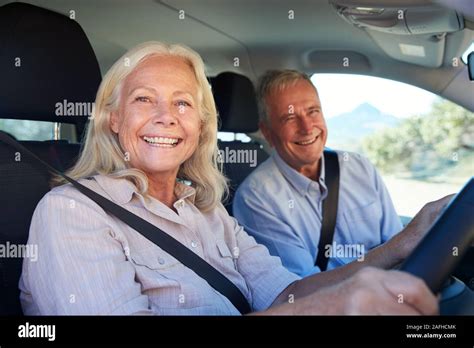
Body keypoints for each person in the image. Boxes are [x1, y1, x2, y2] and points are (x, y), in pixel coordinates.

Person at [19, 41, 447, 315]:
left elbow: (288, 293)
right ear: (114, 119)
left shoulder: (207, 213)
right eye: (144, 99)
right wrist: (328, 309)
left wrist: (403, 244)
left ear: (202, 126)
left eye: (183, 103)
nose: (166, 116)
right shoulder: (71, 214)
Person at [233, 69, 404, 276]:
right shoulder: (256, 197)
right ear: (268, 132)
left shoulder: (360, 168)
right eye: (289, 117)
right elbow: (304, 288)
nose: (307, 128)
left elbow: (398, 247)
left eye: (313, 111)